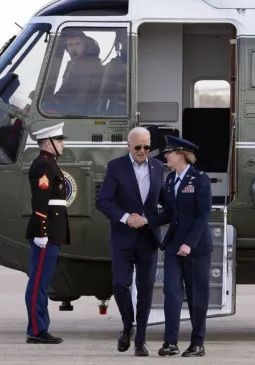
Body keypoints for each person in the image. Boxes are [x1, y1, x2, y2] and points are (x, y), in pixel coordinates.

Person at [95, 126, 165, 356]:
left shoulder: (158, 167)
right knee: (119, 285)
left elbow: (166, 206)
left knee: (145, 291)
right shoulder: (116, 167)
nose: (143, 151)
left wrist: (148, 220)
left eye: (147, 147)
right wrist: (126, 218)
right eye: (138, 147)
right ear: (128, 146)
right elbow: (103, 201)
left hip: (148, 238)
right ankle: (128, 326)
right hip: (122, 236)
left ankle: (140, 342)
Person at [151, 135, 213, 358]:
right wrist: (145, 220)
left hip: (195, 246)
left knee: (197, 296)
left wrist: (189, 243)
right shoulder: (170, 181)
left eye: (169, 153)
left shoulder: (200, 179)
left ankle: (197, 344)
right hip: (174, 245)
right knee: (172, 293)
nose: (165, 156)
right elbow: (168, 213)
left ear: (181, 155)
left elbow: (204, 214)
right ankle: (170, 342)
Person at [24, 122, 71, 344]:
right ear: (48, 143)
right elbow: (40, 201)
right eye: (59, 140)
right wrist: (42, 233)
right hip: (47, 232)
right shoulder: (44, 165)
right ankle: (36, 330)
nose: (62, 144)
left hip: (52, 232)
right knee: (38, 282)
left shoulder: (50, 164)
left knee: (42, 281)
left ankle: (40, 327)